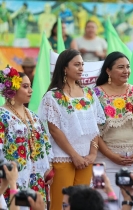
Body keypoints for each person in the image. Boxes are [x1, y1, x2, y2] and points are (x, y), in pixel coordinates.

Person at [38, 49, 106, 210]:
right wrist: (74, 155)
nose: (81, 68)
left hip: (87, 158)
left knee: (83, 205)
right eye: (76, 65)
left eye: (82, 64)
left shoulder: (89, 93)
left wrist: (93, 153)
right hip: (64, 157)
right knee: (60, 204)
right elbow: (54, 130)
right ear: (64, 68)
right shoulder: (53, 96)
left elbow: (95, 125)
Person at [93, 51, 133, 205]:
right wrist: (110, 154)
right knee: (105, 203)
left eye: (128, 67)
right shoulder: (95, 94)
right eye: (120, 67)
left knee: (131, 203)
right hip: (104, 159)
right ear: (108, 70)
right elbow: (93, 131)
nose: (126, 71)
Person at [0, 67, 53, 206]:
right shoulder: (2, 116)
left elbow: (45, 146)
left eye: (30, 86)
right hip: (12, 181)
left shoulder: (34, 117)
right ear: (12, 89)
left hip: (36, 180)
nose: (31, 90)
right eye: (25, 86)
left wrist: (48, 169)